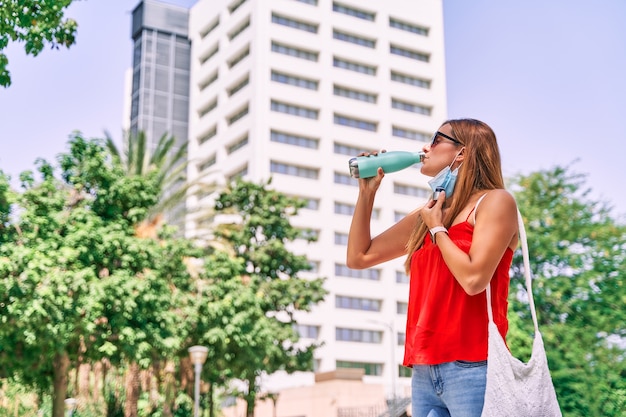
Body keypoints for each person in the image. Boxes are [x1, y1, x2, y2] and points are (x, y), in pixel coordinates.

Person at [346, 118, 519, 417]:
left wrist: (438, 230)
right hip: (424, 371)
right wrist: (367, 193)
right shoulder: (428, 215)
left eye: (436, 140)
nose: (425, 147)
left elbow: (474, 278)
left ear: (462, 153)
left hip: (475, 366)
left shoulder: (495, 202)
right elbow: (359, 257)